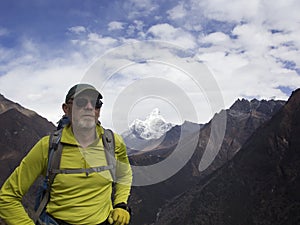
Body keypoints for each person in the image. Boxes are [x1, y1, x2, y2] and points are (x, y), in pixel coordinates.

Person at [0, 83, 133, 225]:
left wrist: (120, 204)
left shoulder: (113, 142)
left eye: (96, 103)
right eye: (81, 102)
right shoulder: (48, 147)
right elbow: (7, 198)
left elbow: (124, 174)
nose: (89, 107)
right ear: (66, 109)